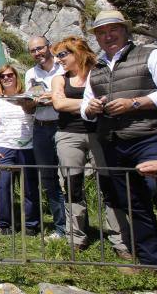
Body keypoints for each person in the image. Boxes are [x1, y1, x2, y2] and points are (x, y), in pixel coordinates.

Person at [81, 9, 157, 290]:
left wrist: (136, 103)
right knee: (133, 203)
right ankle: (152, 262)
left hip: (152, 139)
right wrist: (92, 107)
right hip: (113, 142)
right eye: (101, 32)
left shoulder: (152, 55)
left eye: (113, 30)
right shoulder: (96, 68)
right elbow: (86, 108)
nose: (107, 35)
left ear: (125, 30)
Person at [50, 37, 130, 256]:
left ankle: (120, 239)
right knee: (72, 183)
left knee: (109, 183)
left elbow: (113, 98)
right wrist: (91, 104)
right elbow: (59, 103)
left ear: (78, 52)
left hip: (100, 135)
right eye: (57, 56)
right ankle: (76, 236)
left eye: (62, 55)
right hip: (69, 134)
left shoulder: (100, 73)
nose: (59, 60)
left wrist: (80, 105)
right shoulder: (60, 79)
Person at [0, 64, 41, 235]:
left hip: (27, 147)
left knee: (29, 187)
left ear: (16, 76)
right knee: (3, 186)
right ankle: (4, 224)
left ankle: (31, 224)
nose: (7, 78)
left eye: (10, 75)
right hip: (4, 147)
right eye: (2, 76)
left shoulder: (28, 96)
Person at [24, 36, 66, 239]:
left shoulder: (63, 67)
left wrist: (54, 97)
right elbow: (29, 106)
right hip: (40, 127)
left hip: (64, 125)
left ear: (49, 47)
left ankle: (77, 226)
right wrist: (29, 102)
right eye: (33, 50)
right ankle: (61, 227)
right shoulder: (30, 74)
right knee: (49, 179)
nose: (37, 53)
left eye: (40, 48)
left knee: (70, 177)